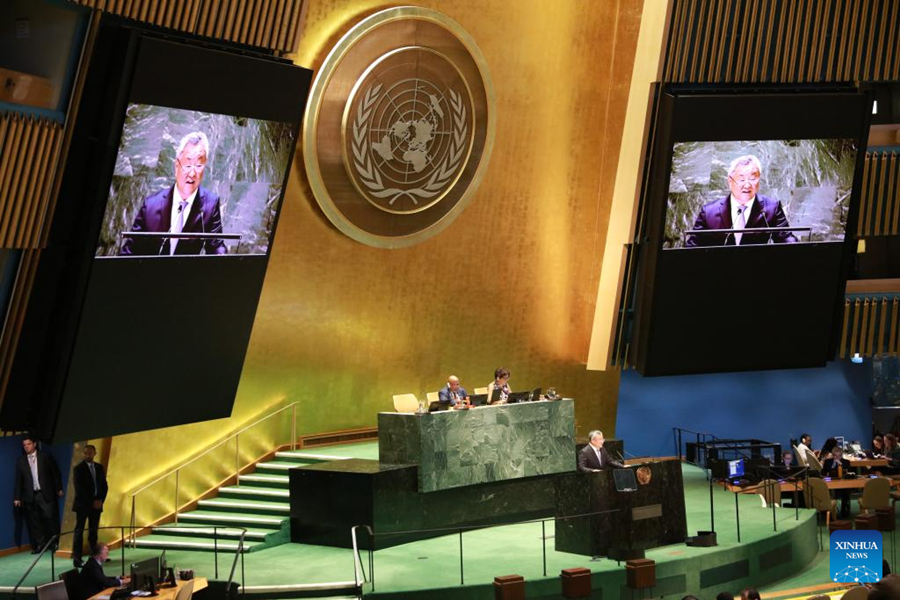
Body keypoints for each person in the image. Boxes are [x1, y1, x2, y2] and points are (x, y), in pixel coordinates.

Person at [119, 131, 227, 256]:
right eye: (187, 165)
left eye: (198, 165)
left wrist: (222, 258)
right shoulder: (151, 205)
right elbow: (130, 250)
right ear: (177, 166)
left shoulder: (210, 204)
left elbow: (217, 245)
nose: (192, 174)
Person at [686, 155, 797, 247]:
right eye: (742, 179)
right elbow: (692, 247)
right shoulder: (709, 212)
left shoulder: (772, 208)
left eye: (753, 179)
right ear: (730, 181)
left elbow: (786, 238)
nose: (747, 185)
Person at [13, 434, 63, 553]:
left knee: (50, 519)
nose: (26, 447)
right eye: (24, 445)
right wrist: (17, 497)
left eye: (29, 444)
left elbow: (55, 473)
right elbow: (18, 480)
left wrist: (58, 488)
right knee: (35, 522)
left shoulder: (45, 457)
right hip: (30, 496)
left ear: (34, 444)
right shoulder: (21, 461)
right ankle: (41, 545)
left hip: (45, 493)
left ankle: (55, 543)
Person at [71, 444, 108, 567]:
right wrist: (92, 501)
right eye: (85, 453)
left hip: (97, 505)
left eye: (90, 453)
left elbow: (104, 486)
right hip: (83, 505)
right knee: (79, 531)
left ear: (94, 454)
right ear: (83, 454)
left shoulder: (99, 467)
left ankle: (95, 557)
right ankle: (77, 559)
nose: (88, 455)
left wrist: (100, 500)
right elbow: (79, 489)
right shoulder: (78, 469)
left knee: (93, 532)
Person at [823, 446, 852, 518]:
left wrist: (840, 464)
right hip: (829, 483)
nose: (837, 457)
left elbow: (848, 471)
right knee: (824, 491)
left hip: (842, 484)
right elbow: (823, 472)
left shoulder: (846, 462)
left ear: (841, 455)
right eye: (835, 455)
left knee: (846, 491)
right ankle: (826, 511)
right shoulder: (827, 462)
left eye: (839, 456)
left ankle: (844, 511)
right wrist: (831, 468)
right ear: (833, 455)